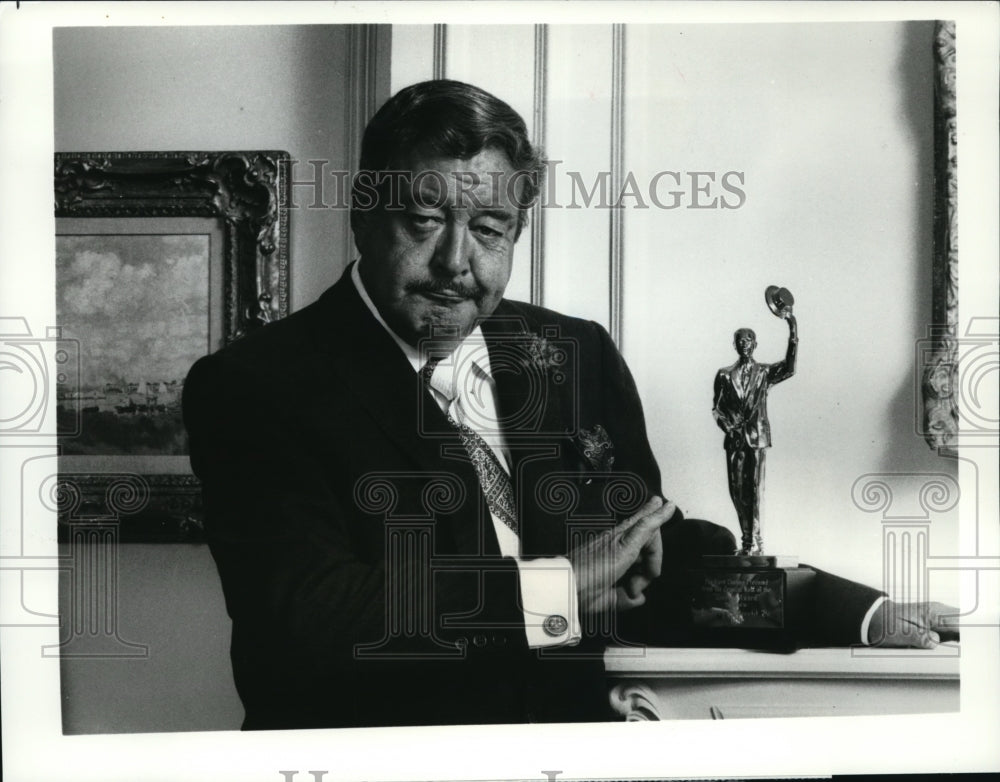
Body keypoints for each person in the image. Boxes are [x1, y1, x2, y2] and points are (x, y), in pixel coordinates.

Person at [182, 79, 958, 731]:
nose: (457, 262)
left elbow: (652, 562)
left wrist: (853, 614)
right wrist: (554, 590)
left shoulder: (573, 354)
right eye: (424, 221)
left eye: (490, 228)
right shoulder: (255, 386)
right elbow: (309, 620)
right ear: (362, 213)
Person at [712, 316, 797, 554]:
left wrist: (793, 329)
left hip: (757, 438)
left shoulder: (765, 373)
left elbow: (789, 368)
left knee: (756, 490)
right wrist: (727, 426)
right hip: (735, 440)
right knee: (737, 490)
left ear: (755, 344)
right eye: (739, 340)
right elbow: (717, 409)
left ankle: (754, 542)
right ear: (734, 345)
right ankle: (747, 537)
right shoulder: (724, 375)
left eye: (748, 339)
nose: (744, 343)